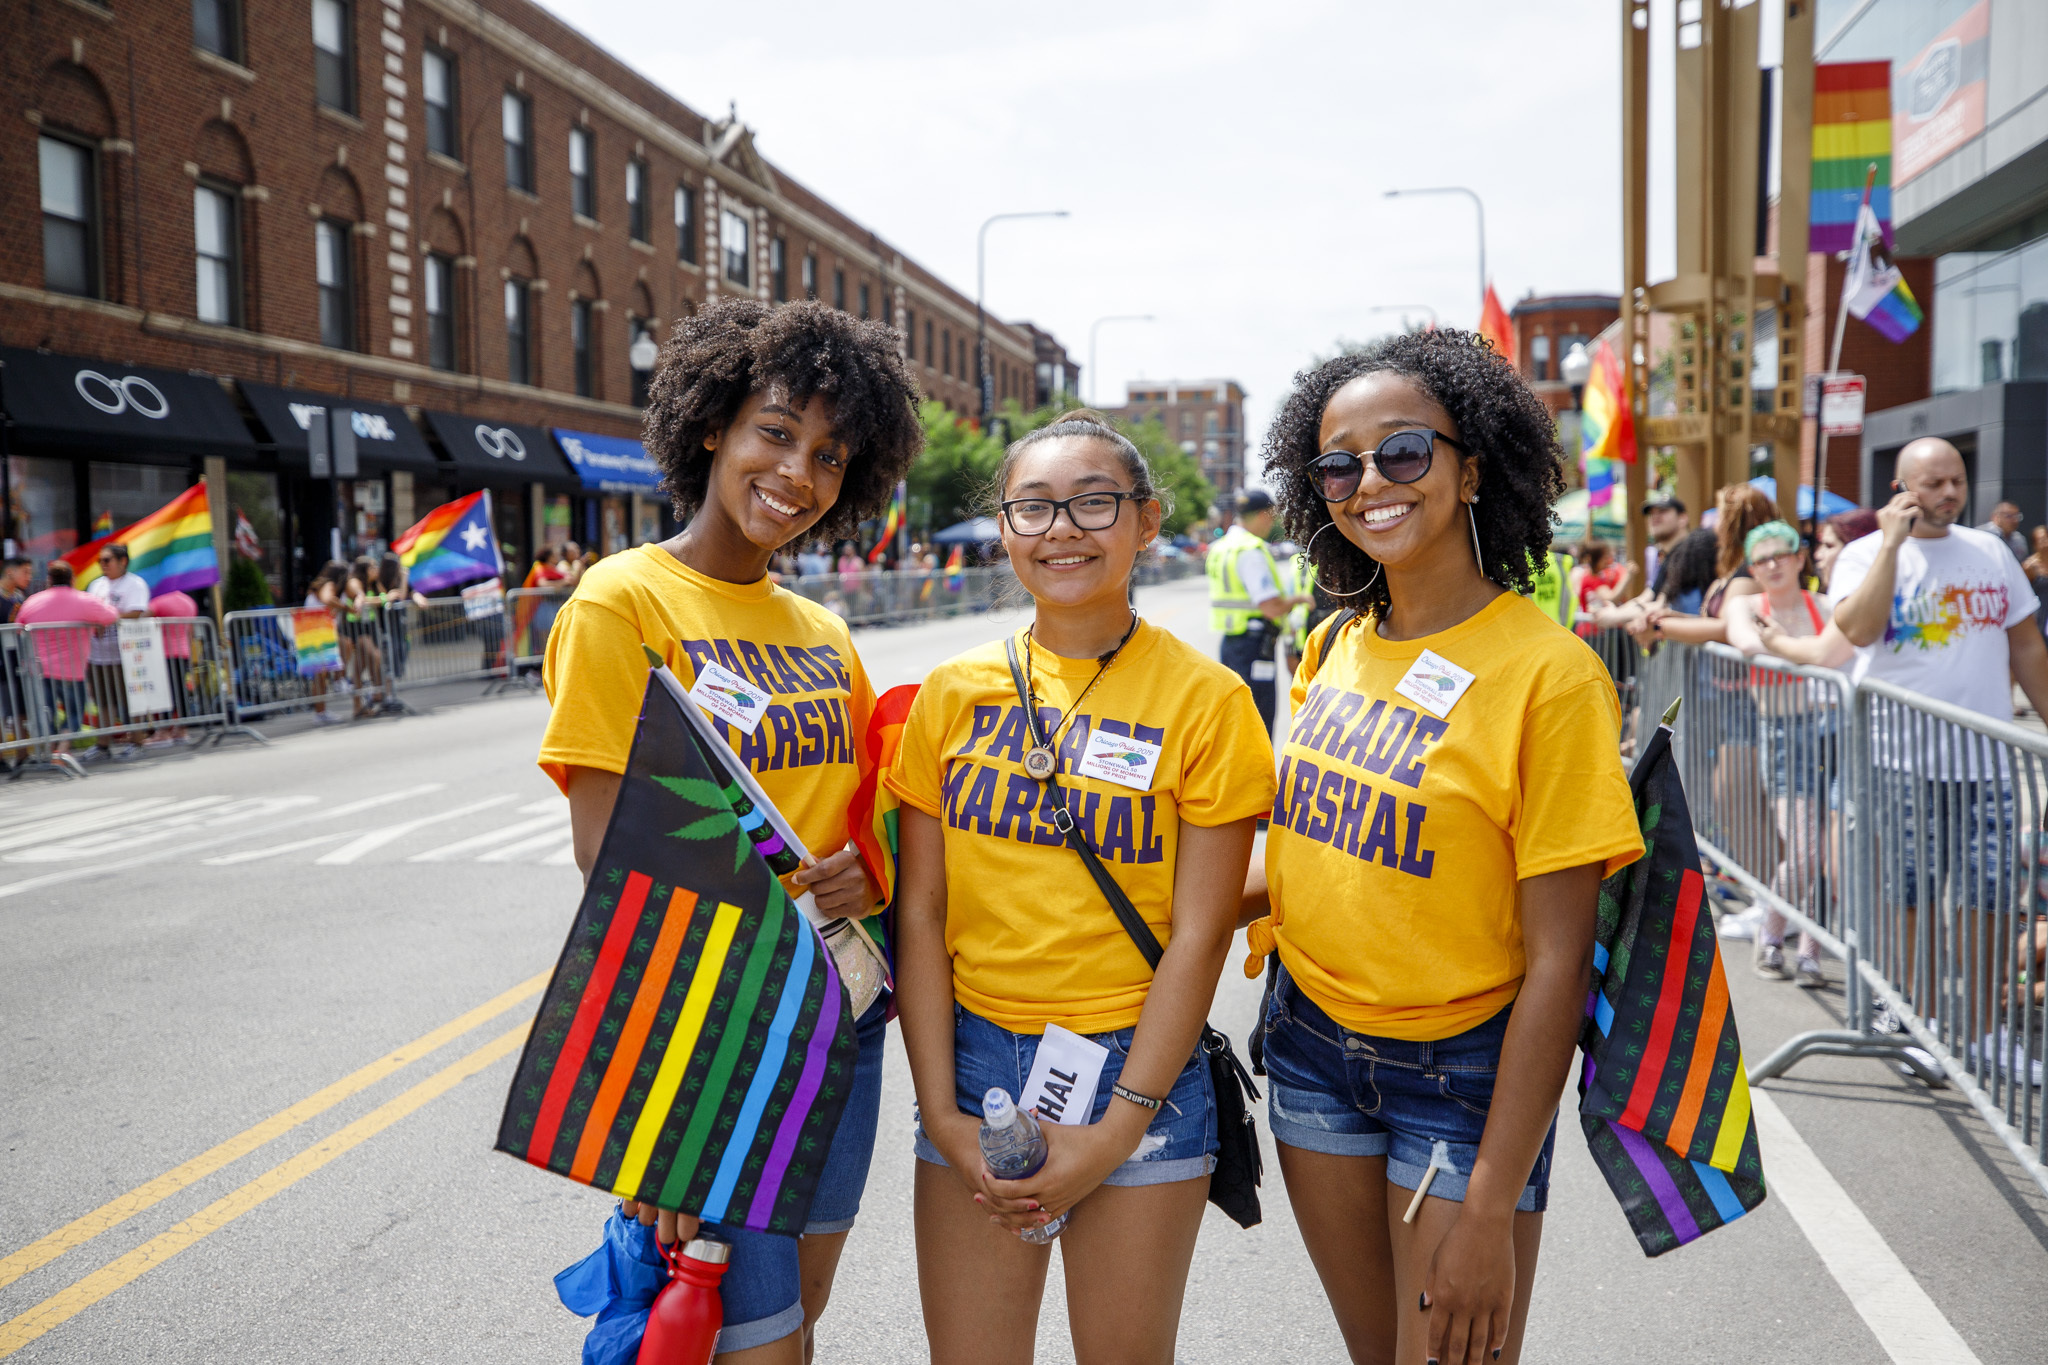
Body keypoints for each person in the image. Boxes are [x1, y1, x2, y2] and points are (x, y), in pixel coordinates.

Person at [1244, 330, 1642, 1365]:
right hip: (1310, 1051)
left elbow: (1558, 961)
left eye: (1402, 453)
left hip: (1460, 1073)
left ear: (1471, 469)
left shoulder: (1549, 677)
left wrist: (1487, 1210)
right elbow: (1304, 855)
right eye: (1337, 463)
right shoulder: (1332, 641)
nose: (1367, 481)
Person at [538, 296, 922, 1364]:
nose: (797, 473)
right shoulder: (622, 603)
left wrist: (865, 871)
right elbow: (611, 866)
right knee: (755, 1339)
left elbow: (850, 809)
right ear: (712, 425)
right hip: (719, 1031)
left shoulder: (822, 629)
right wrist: (659, 1124)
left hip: (840, 1026)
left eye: (830, 455)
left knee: (793, 1308)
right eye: (775, 432)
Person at [886, 411, 1275, 1364]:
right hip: (977, 1073)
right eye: (1033, 507)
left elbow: (1200, 931)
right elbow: (923, 914)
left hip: (1141, 1074)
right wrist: (941, 1109)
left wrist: (1114, 1131)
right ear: (1007, 528)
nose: (1062, 528)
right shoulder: (952, 692)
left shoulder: (1208, 701)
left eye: (1094, 503)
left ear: (1147, 523)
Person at [1761, 438, 2048, 1041]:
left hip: (1986, 761)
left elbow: (2025, 644)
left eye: (1958, 482)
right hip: (1899, 761)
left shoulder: (1990, 551)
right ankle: (1913, 1015)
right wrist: (1893, 543)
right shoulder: (1865, 555)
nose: (1949, 494)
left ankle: (1982, 1031)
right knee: (1907, 895)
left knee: (1988, 898)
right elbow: (1859, 631)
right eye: (1934, 483)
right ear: (1901, 489)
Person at [1724, 521, 1836, 986]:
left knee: (1825, 851)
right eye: (1762, 558)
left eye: (1781, 555)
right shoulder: (1746, 603)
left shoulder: (1824, 605)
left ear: (1798, 558)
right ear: (1753, 566)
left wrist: (1787, 647)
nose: (1772, 564)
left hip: (1834, 733)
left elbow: (1841, 653)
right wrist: (1812, 653)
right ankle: (1772, 934)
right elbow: (1748, 644)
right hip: (1784, 735)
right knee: (1805, 849)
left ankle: (1808, 949)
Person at [1206, 488, 1311, 734]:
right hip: (1254, 646)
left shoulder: (1222, 547)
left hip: (1233, 642)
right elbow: (1271, 607)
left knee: (1237, 713)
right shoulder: (1250, 550)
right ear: (1264, 515)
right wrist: (1300, 599)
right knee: (1259, 717)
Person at [16, 561, 118, 747]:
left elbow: (17, 627)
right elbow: (111, 615)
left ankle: (51, 752)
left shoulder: (33, 601)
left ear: (49, 580)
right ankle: (61, 752)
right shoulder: (85, 600)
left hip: (38, 669)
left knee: (45, 715)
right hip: (71, 671)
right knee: (73, 714)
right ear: (73, 579)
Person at [86, 542, 152, 755]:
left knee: (131, 699)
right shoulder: (96, 585)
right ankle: (103, 745)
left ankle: (137, 742)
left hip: (126, 653)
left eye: (106, 560)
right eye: (100, 561)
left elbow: (136, 611)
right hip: (99, 653)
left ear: (122, 561)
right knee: (103, 700)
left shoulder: (134, 584)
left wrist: (108, 619)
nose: (102, 564)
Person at [1640, 492, 1689, 589]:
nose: (1655, 517)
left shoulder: (1693, 554)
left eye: (1662, 511)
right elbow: (1651, 596)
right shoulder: (1666, 559)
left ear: (1682, 519)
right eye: (1651, 513)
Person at [1, 555, 33, 624]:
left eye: (30, 573)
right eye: (25, 572)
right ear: (9, 572)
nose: (29, 578)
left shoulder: (18, 596)